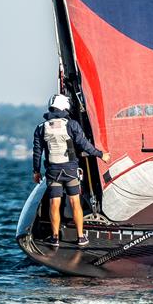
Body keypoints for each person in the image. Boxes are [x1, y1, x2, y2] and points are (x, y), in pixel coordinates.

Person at [32, 94, 110, 247]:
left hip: (53, 171)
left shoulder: (41, 128)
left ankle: (54, 238)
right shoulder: (71, 124)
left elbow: (37, 152)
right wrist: (101, 155)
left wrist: (36, 171)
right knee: (75, 202)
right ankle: (81, 237)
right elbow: (84, 144)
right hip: (70, 170)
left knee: (54, 203)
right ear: (65, 106)